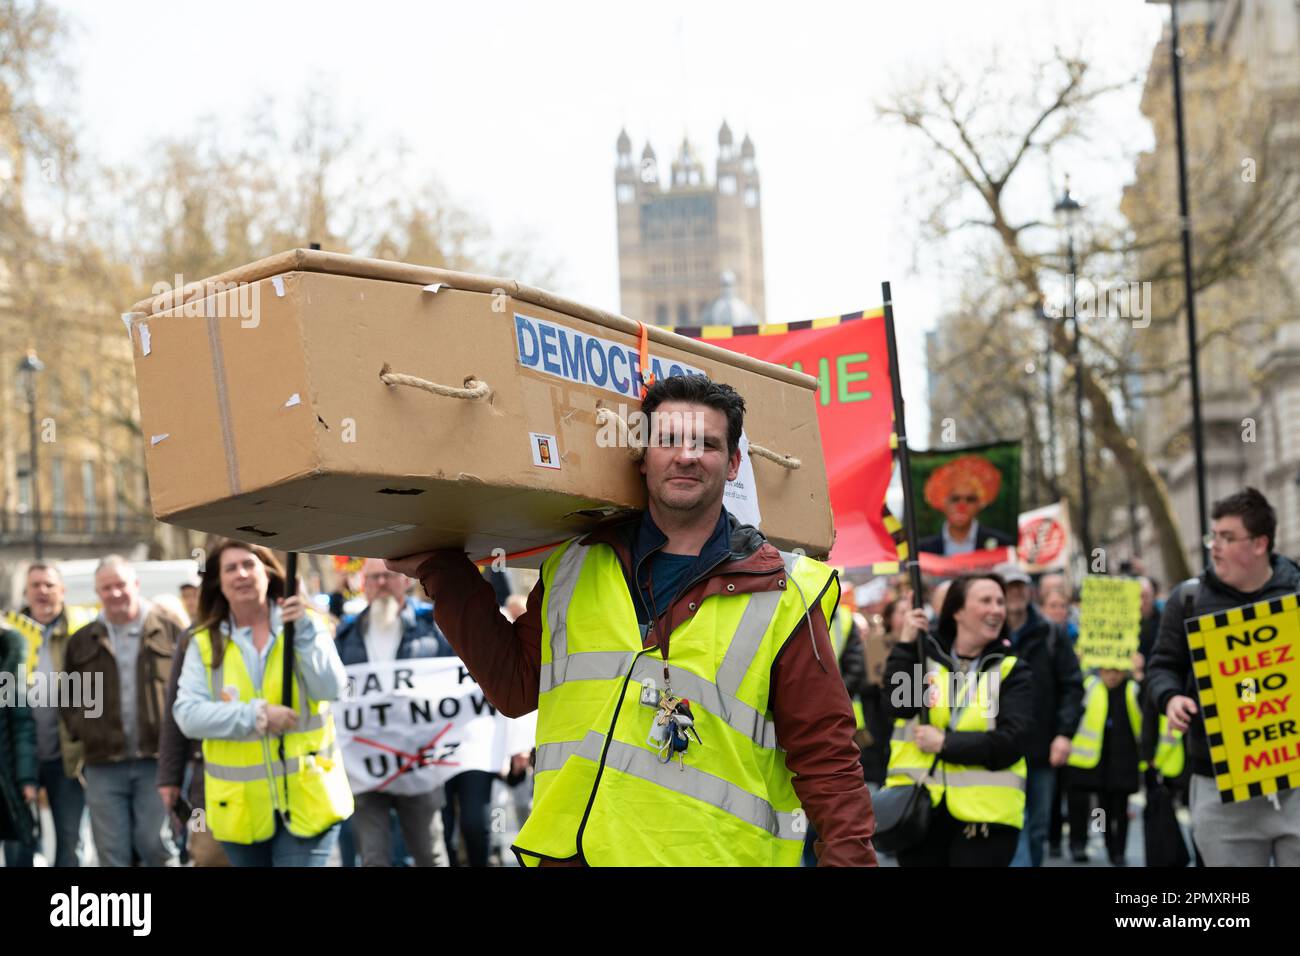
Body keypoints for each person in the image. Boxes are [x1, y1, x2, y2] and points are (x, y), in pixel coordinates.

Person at [387, 373, 876, 866]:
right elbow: (514, 686)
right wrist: (445, 573)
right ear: (643, 458)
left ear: (732, 465)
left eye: (706, 444)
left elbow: (826, 756)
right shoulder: (575, 565)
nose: (686, 456)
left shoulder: (785, 591)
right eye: (668, 441)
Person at [173, 540, 353, 867]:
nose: (241, 574)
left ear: (267, 573)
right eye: (231, 568)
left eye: (249, 565)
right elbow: (187, 715)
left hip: (309, 800)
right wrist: (257, 715)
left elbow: (331, 689)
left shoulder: (306, 625)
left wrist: (303, 635)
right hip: (241, 812)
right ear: (218, 582)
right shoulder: (202, 642)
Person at [1146, 486, 1300, 866]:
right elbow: (1162, 666)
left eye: (1228, 538)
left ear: (1260, 543)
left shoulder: (1296, 594)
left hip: (1295, 781)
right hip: (1219, 786)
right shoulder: (1189, 601)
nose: (1214, 547)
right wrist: (1170, 698)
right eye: (1213, 536)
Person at [883, 574, 1033, 867]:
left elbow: (1012, 742)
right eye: (986, 600)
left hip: (985, 821)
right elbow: (899, 706)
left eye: (1000, 602)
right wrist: (906, 644)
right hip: (920, 813)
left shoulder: (1013, 670)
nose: (997, 609)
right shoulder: (926, 659)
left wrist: (945, 743)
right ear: (958, 611)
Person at [60, 556, 181, 867]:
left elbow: (189, 690)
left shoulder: (170, 633)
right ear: (97, 593)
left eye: (120, 585)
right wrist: (85, 730)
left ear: (136, 586)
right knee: (112, 854)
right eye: (106, 588)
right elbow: (69, 699)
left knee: (155, 845)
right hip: (103, 765)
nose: (114, 594)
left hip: (156, 762)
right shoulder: (82, 641)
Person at [335, 558, 452, 867]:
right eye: (372, 578)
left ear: (405, 581)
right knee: (374, 857)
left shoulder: (433, 628)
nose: (381, 584)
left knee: (430, 854)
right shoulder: (346, 635)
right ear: (364, 586)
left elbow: (459, 680)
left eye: (388, 576)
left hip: (419, 764)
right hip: (367, 765)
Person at [997, 563, 1084, 868]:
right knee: (1010, 826)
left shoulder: (1050, 633)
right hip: (998, 749)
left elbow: (1073, 686)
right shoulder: (988, 634)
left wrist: (1064, 734)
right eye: (1009, 587)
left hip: (1041, 749)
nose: (1015, 594)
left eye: (1020, 586)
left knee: (1036, 828)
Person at [6, 563, 93, 866]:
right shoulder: (9, 634)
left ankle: (67, 909)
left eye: (49, 584)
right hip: (17, 758)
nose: (42, 591)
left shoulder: (81, 630)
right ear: (27, 592)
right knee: (19, 842)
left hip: (67, 759)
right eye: (35, 585)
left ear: (62, 590)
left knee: (71, 844)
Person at [1065, 668, 1143, 865]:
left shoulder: (1133, 689)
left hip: (1123, 760)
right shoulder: (1090, 686)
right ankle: (1103, 842)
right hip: (1095, 761)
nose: (1112, 676)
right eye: (1108, 671)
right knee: (1100, 808)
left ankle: (1118, 850)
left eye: (1117, 671)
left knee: (1120, 809)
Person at [916, 456, 1015, 555]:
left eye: (970, 499)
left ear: (980, 503)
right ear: (942, 502)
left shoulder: (1002, 544)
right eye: (955, 499)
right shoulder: (923, 549)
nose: (961, 506)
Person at [0, 622, 38, 865]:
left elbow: (21, 724)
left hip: (6, 777)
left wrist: (26, 778)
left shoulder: (8, 658)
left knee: (19, 847)